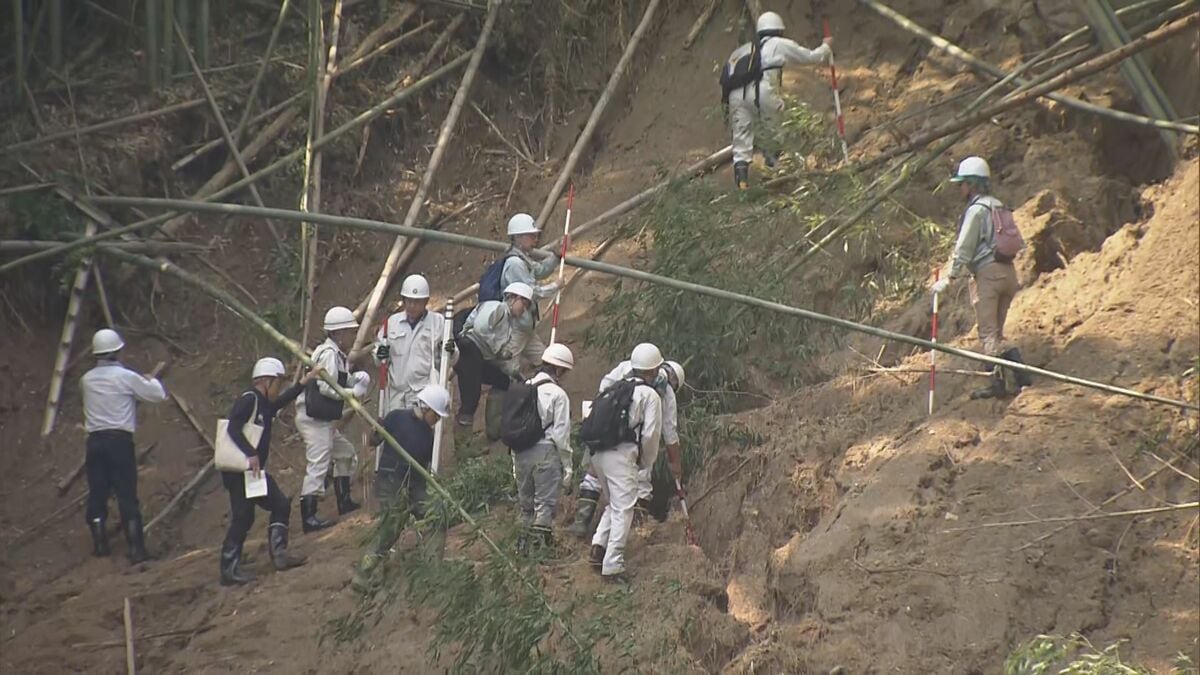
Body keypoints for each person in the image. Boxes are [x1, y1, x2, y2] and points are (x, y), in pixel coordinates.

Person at [930, 156, 1026, 399]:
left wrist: (950, 278)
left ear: (972, 184)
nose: (960, 188)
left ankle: (1011, 381)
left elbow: (964, 247)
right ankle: (1012, 381)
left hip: (988, 277)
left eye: (963, 183)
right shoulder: (999, 205)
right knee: (996, 333)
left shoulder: (976, 210)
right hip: (1008, 274)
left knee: (987, 335)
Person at [218, 358, 315, 585]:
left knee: (280, 504)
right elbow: (233, 426)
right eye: (277, 383)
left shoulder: (263, 402)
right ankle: (228, 568)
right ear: (265, 381)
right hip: (240, 471)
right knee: (243, 516)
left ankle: (279, 554)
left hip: (253, 472)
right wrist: (250, 452)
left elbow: (280, 402)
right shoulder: (249, 399)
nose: (278, 388)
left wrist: (303, 383)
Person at [568, 359, 685, 537]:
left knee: (595, 475)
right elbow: (669, 433)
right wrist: (674, 463)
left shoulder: (629, 370)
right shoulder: (662, 391)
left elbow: (603, 388)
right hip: (630, 441)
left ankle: (585, 524)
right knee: (637, 481)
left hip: (605, 432)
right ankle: (631, 528)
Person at [80, 328, 168, 563]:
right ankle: (136, 549)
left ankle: (100, 545)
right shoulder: (125, 377)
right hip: (119, 441)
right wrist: (151, 381)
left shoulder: (86, 380)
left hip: (95, 442)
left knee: (98, 491)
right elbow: (156, 395)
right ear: (117, 351)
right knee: (126, 493)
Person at [353, 383, 452, 588]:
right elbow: (373, 441)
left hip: (414, 485)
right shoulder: (396, 417)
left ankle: (433, 570)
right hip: (390, 482)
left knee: (437, 514)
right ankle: (363, 573)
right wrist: (376, 429)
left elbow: (422, 468)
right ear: (425, 408)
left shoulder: (429, 435)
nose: (438, 420)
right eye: (437, 415)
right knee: (391, 526)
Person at [723, 11, 832, 190]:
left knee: (741, 142)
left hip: (736, 94)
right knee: (774, 132)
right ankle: (772, 178)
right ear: (779, 30)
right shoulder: (778, 44)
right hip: (763, 90)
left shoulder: (747, 50)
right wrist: (826, 47)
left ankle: (742, 186)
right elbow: (811, 57)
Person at [588, 343, 663, 584]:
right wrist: (646, 462)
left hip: (598, 453)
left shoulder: (616, 388)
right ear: (653, 370)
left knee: (614, 503)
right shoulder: (650, 396)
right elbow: (650, 434)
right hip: (622, 456)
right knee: (624, 508)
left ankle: (598, 546)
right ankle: (613, 566)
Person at [296, 306, 371, 532]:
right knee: (319, 462)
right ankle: (308, 516)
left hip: (322, 419)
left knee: (345, 453)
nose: (351, 336)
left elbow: (338, 378)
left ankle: (344, 500)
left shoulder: (335, 355)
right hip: (313, 418)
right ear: (339, 333)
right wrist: (352, 393)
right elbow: (326, 387)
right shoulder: (328, 354)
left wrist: (355, 379)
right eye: (349, 332)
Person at [513, 343, 574, 553]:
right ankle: (540, 551)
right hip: (546, 453)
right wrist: (568, 468)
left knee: (526, 506)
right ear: (558, 369)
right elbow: (561, 436)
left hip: (521, 454)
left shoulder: (524, 387)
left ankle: (521, 548)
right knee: (545, 504)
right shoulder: (558, 395)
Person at [454, 282, 535, 436]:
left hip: (481, 356)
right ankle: (463, 447)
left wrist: (512, 370)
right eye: (522, 303)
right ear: (512, 298)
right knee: (471, 397)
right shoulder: (497, 307)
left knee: (502, 380)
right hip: (469, 349)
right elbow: (480, 328)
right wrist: (500, 350)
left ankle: (494, 428)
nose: (523, 308)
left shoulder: (508, 321)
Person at [373, 274, 454, 414]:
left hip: (423, 393)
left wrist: (450, 350)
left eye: (417, 302)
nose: (412, 306)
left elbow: (448, 358)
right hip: (396, 394)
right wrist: (379, 354)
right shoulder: (392, 323)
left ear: (425, 301)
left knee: (418, 433)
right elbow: (380, 357)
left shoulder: (438, 323)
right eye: (408, 301)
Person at [499, 213, 559, 366]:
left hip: (526, 328)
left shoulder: (523, 259)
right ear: (519, 237)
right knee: (508, 370)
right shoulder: (515, 264)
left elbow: (539, 270)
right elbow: (530, 293)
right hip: (514, 329)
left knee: (546, 363)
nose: (535, 240)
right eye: (531, 236)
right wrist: (555, 287)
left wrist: (556, 256)